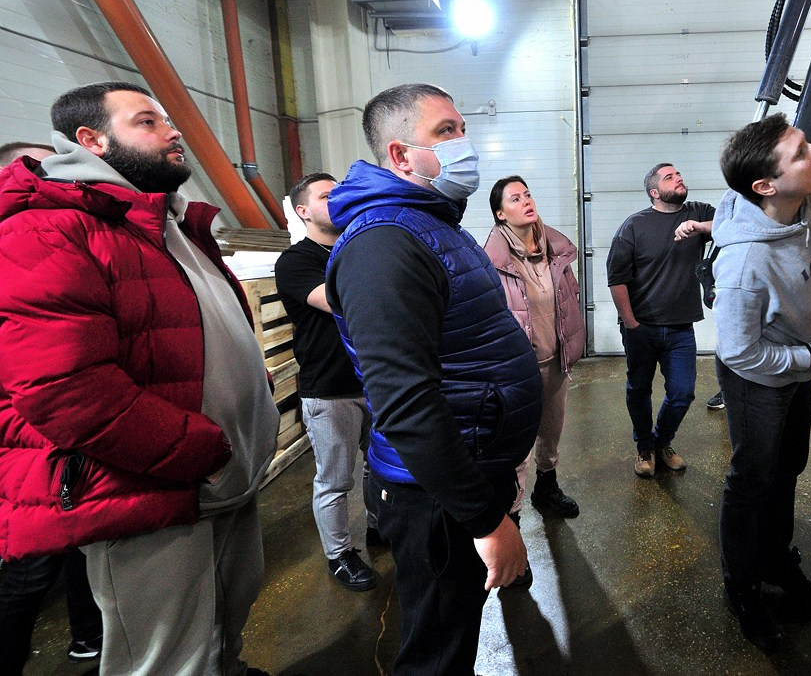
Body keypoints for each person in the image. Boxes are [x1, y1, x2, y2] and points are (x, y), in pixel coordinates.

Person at [0, 82, 278, 676]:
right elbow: (65, 387)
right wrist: (196, 451)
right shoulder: (49, 229)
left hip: (222, 479)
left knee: (226, 624)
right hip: (155, 488)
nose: (173, 132)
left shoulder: (166, 223)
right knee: (165, 658)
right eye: (148, 121)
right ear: (91, 140)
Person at [325, 83, 541, 675]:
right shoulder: (385, 245)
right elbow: (405, 402)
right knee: (437, 655)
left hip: (466, 469)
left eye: (461, 129)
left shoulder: (430, 224)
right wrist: (484, 518)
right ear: (399, 156)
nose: (463, 143)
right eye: (445, 132)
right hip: (438, 495)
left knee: (454, 633)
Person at [710, 113, 811, 651]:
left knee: (788, 466)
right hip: (757, 374)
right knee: (753, 477)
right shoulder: (744, 266)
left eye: (807, 144)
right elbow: (740, 351)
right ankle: (741, 587)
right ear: (765, 186)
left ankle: (775, 562)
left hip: (802, 351)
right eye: (802, 153)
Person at [0, 142, 103, 672]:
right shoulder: (14, 242)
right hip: (27, 441)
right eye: (40, 166)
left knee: (84, 547)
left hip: (74, 438)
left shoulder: (63, 236)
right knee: (30, 568)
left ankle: (89, 638)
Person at [275, 172, 379, 592]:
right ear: (303, 211)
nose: (337, 198)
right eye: (326, 195)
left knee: (383, 468)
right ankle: (340, 555)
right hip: (330, 388)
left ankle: (381, 526)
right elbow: (338, 301)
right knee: (335, 479)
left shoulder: (358, 247)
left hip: (374, 381)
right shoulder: (296, 261)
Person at [483, 177, 585, 525]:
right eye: (515, 198)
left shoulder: (555, 250)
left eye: (528, 194)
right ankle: (511, 519)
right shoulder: (493, 262)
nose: (527, 200)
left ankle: (547, 488)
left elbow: (569, 297)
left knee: (552, 432)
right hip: (518, 369)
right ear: (500, 214)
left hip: (555, 359)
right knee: (516, 447)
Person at [606, 163, 714, 477]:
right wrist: (631, 324)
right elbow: (617, 279)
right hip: (642, 326)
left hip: (681, 327)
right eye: (669, 177)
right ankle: (644, 447)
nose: (679, 178)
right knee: (639, 389)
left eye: (679, 174)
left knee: (682, 392)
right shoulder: (635, 226)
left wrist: (699, 227)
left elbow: (735, 224)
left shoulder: (697, 211)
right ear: (655, 192)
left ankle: (662, 441)